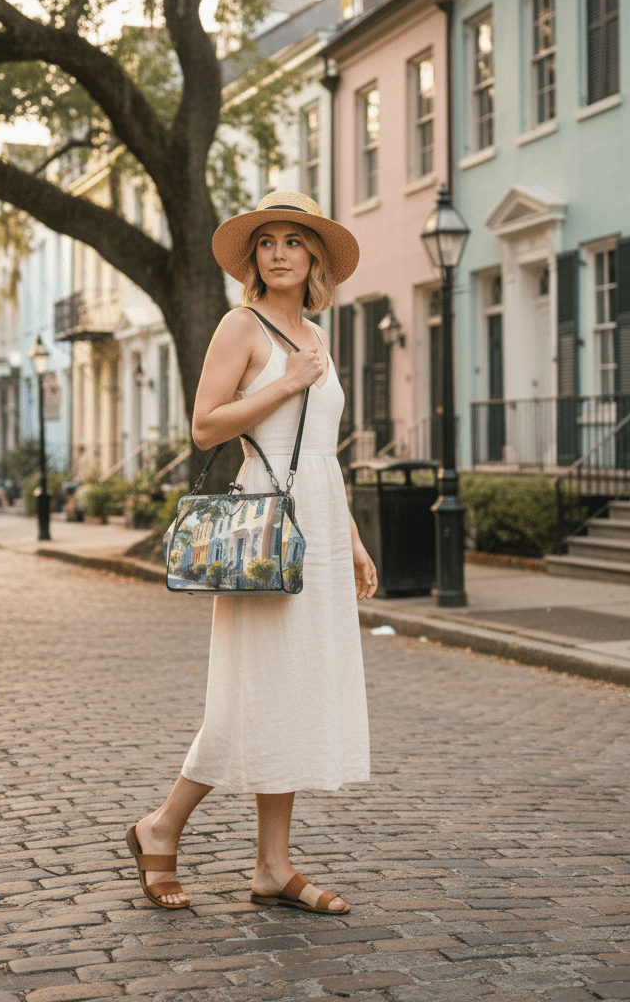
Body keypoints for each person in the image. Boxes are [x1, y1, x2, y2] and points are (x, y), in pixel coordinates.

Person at [127, 191, 377, 915]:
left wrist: (352, 539)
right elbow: (206, 427)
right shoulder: (244, 328)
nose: (278, 253)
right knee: (250, 694)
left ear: (314, 257)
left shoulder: (320, 336)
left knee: (291, 692)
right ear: (255, 259)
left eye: (293, 241)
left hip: (320, 524)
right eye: (265, 241)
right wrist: (288, 383)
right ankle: (161, 826)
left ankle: (272, 866)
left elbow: (321, 453)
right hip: (264, 531)